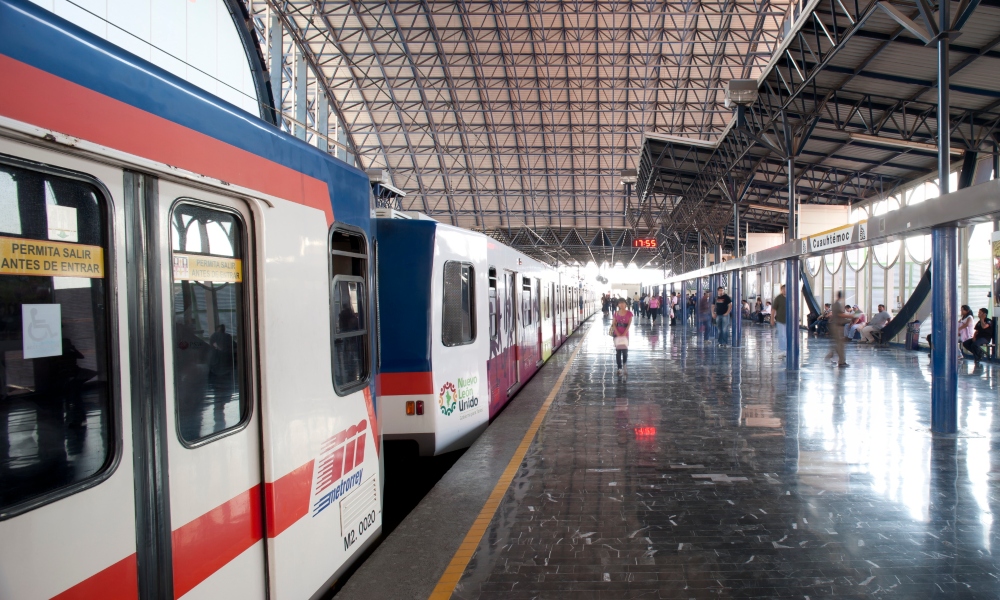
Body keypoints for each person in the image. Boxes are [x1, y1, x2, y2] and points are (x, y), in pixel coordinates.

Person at [824, 291, 851, 367]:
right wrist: (851, 317)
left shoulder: (835, 304)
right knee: (840, 344)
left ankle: (831, 354)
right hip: (837, 326)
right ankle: (841, 361)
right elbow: (840, 315)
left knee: (837, 343)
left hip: (835, 325)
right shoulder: (837, 305)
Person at [612, 299, 633, 377]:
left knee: (625, 351)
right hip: (617, 334)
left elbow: (629, 324)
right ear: (618, 305)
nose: (621, 304)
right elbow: (613, 324)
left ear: (625, 304)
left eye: (623, 303)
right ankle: (619, 368)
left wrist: (624, 334)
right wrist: (617, 333)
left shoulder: (629, 313)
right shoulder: (616, 313)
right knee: (618, 352)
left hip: (625, 334)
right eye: (620, 303)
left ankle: (624, 363)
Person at [771, 285, 786, 357]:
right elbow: (773, 309)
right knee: (781, 335)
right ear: (781, 290)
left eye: (786, 289)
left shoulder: (792, 298)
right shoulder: (778, 298)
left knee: (787, 336)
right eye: (783, 289)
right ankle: (782, 350)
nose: (785, 290)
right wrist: (772, 319)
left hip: (789, 321)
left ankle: (787, 350)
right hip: (780, 320)